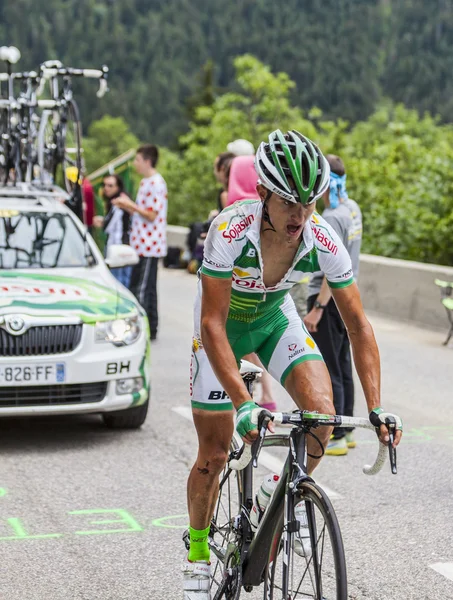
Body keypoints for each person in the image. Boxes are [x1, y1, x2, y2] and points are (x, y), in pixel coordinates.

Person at [183, 129, 402, 599]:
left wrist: (378, 407)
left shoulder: (321, 235)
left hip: (274, 316)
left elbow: (359, 326)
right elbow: (213, 325)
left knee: (320, 414)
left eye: (309, 203)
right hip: (224, 325)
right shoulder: (229, 229)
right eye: (288, 203)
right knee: (214, 455)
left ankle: (275, 492)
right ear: (262, 193)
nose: (300, 215)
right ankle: (198, 554)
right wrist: (243, 402)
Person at [304, 154, 363, 456]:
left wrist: (318, 308)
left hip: (328, 300)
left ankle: (337, 433)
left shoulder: (332, 218)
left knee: (330, 367)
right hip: (348, 297)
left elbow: (330, 270)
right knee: (343, 363)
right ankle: (348, 429)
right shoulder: (351, 209)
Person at [112, 144, 168, 341]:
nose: (135, 164)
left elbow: (151, 215)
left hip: (149, 245)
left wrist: (129, 205)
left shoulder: (155, 183)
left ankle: (141, 331)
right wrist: (130, 206)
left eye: (137, 160)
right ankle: (151, 329)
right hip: (143, 244)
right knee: (148, 288)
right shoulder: (147, 182)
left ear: (146, 161)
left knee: (141, 289)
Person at [93, 174, 132, 287]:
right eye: (105, 185)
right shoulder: (116, 201)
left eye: (110, 185)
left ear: (118, 187)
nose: (106, 188)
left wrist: (103, 223)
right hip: (119, 245)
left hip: (119, 245)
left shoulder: (120, 202)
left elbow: (111, 225)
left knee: (118, 282)